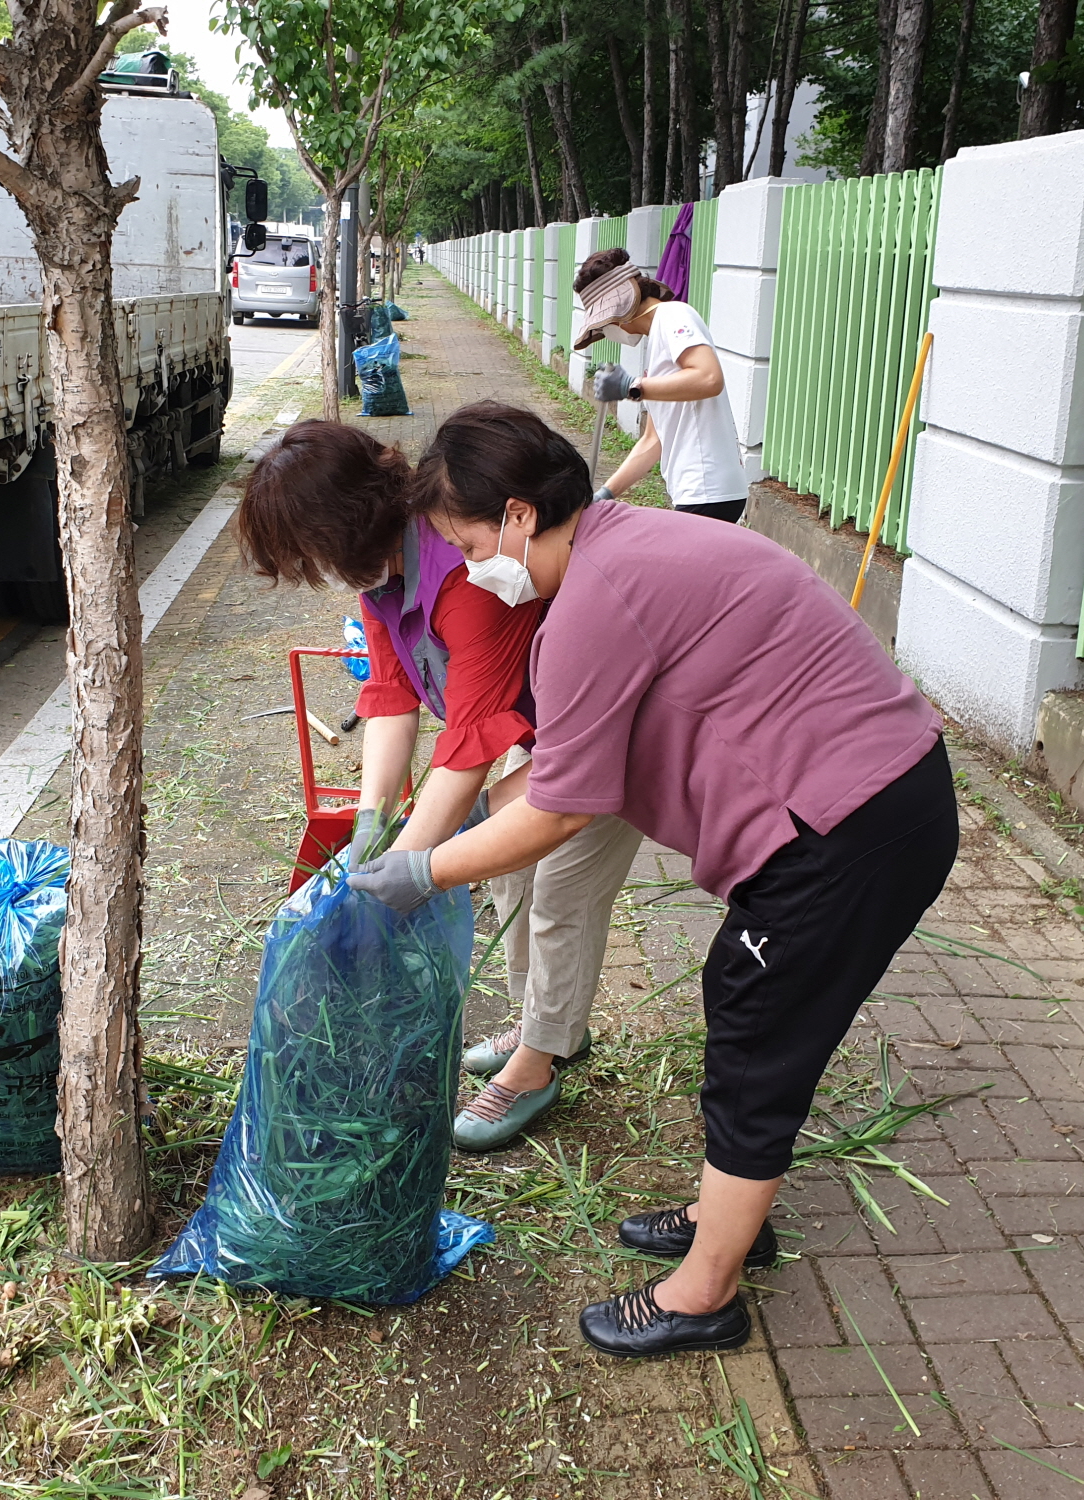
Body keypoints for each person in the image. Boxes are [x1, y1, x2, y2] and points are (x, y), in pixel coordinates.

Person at [350, 402, 955, 1359]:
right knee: (754, 1014)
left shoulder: (596, 596)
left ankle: (702, 1295)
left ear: (517, 516)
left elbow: (560, 809)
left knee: (757, 1040)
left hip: (851, 825)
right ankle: (729, 1218)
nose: (469, 568)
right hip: (867, 797)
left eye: (469, 543)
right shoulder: (621, 546)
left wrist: (423, 870)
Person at [235, 419, 642, 1152]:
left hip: (596, 727)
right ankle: (544, 1025)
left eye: (314, 555)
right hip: (525, 730)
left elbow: (469, 740)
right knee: (510, 876)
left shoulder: (461, 568)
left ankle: (537, 1064)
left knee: (559, 893)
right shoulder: (381, 578)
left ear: (346, 525)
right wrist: (370, 823)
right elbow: (390, 697)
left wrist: (409, 870)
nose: (320, 573)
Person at [574, 247, 748, 524]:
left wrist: (632, 386)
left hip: (708, 488)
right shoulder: (656, 341)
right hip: (695, 491)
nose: (609, 329)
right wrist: (606, 493)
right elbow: (653, 441)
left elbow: (708, 378)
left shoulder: (674, 316)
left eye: (606, 322)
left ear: (620, 308)